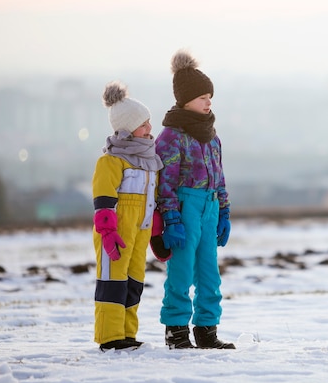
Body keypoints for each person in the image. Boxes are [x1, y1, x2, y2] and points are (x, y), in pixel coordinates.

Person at [155, 49, 234, 349]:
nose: (208, 102)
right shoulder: (171, 137)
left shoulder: (212, 137)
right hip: (186, 209)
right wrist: (172, 219)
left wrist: (224, 210)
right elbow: (166, 184)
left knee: (208, 273)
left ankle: (207, 330)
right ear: (186, 99)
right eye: (203, 97)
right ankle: (176, 330)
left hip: (210, 206)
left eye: (210, 96)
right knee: (181, 271)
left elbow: (220, 177)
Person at [92, 81, 163, 352]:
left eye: (149, 122)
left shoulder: (149, 161)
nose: (149, 129)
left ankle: (127, 334)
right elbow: (104, 200)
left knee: (134, 282)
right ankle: (110, 336)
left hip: (140, 233)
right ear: (126, 129)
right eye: (143, 124)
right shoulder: (112, 161)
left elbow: (150, 199)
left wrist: (155, 227)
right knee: (113, 282)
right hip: (116, 233)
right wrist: (107, 232)